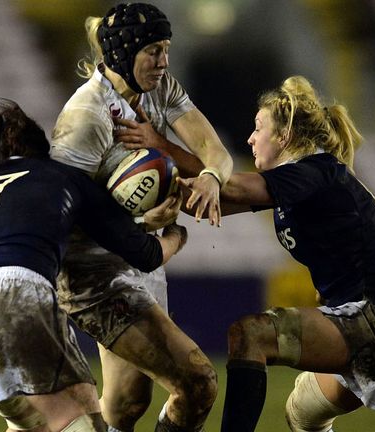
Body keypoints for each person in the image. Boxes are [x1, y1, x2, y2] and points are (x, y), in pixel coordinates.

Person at [178, 75, 375, 432]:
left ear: (284, 137)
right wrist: (157, 177)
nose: (250, 138)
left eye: (258, 128)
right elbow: (207, 202)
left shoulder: (314, 172)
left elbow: (229, 185)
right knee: (303, 415)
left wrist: (159, 144)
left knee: (250, 335)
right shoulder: (299, 182)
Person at [0, 100, 187, 432]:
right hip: (14, 297)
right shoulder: (61, 175)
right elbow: (146, 255)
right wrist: (175, 235)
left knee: (32, 426)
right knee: (84, 416)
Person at [49, 3, 233, 432]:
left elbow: (217, 154)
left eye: (166, 48)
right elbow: (63, 213)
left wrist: (209, 177)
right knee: (197, 383)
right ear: (121, 54)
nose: (164, 61)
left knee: (126, 405)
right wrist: (144, 226)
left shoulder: (161, 89)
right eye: (153, 51)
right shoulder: (85, 117)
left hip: (136, 255)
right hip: (93, 273)